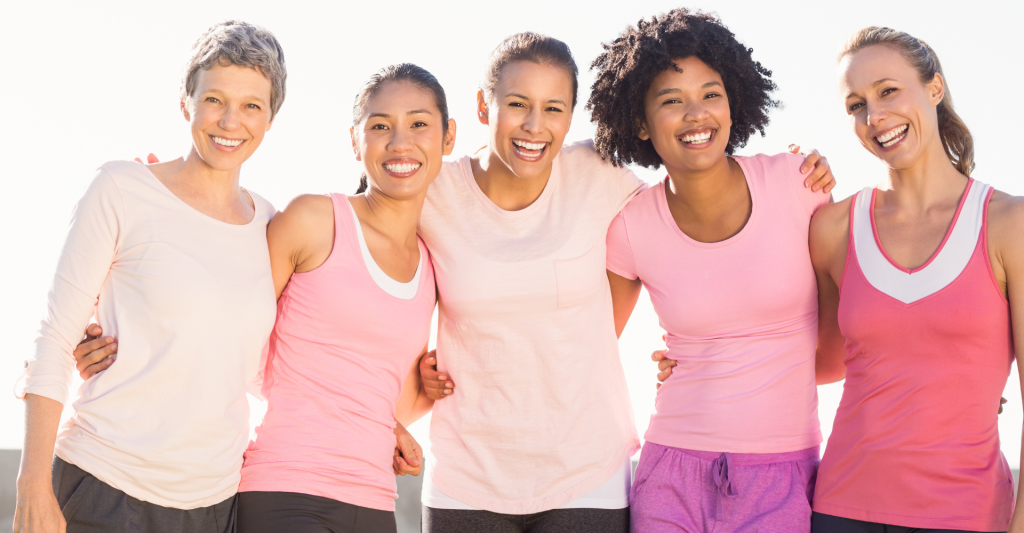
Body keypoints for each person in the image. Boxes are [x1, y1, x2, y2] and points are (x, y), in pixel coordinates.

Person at [415, 31, 835, 533]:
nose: (534, 125)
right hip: (493, 474)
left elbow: (844, 330)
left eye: (554, 107)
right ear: (485, 107)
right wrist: (408, 385)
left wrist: (734, 369)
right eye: (518, 104)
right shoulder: (435, 193)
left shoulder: (793, 183)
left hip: (617, 473)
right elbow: (379, 278)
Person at [14, 21, 286, 533]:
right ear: (186, 103)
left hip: (216, 501)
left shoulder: (271, 225)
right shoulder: (121, 187)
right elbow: (55, 335)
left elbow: (257, 366)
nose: (230, 120)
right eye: (214, 99)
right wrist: (32, 484)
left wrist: (387, 422)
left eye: (252, 105)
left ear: (270, 118)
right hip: (103, 486)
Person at [588, 9, 844, 532]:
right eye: (671, 100)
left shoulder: (799, 185)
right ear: (639, 122)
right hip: (671, 469)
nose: (696, 114)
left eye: (711, 93)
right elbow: (586, 347)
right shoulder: (632, 226)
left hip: (783, 470)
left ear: (733, 102)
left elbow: (841, 340)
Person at [808, 26, 1024, 533]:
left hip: (967, 513)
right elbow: (819, 363)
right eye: (855, 104)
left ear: (934, 88)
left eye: (888, 91)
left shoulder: (1007, 223)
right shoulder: (833, 227)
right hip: (842, 508)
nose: (873, 116)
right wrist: (694, 353)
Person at [231, 63, 453, 533]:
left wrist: (419, 398)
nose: (399, 142)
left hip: (374, 501)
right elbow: (232, 341)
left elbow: (376, 396)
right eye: (379, 126)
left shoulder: (433, 267)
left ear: (447, 138)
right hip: (285, 489)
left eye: (418, 124)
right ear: (355, 141)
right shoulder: (313, 219)